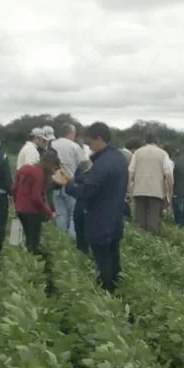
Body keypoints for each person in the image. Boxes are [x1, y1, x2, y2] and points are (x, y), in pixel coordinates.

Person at [52, 122, 126, 292]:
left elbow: (86, 192)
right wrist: (73, 180)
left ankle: (107, 295)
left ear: (99, 139)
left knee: (103, 263)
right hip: (115, 219)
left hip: (101, 220)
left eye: (90, 143)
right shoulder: (118, 159)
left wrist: (66, 184)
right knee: (114, 259)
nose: (89, 147)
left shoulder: (102, 163)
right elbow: (95, 182)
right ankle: (117, 292)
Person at [12, 149, 57, 254]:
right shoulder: (39, 173)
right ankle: (32, 263)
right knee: (34, 242)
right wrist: (48, 213)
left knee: (28, 238)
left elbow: (14, 189)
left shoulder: (24, 169)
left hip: (20, 210)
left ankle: (26, 261)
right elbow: (36, 197)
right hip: (32, 211)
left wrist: (16, 204)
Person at [128, 134, 173, 234]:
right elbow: (169, 175)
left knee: (140, 219)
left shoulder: (137, 153)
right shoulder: (163, 154)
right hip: (156, 192)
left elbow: (130, 172)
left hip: (139, 191)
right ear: (157, 141)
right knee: (153, 218)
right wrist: (170, 193)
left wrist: (128, 191)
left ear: (145, 141)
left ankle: (141, 241)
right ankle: (151, 241)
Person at [50, 123, 86, 240]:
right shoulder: (74, 147)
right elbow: (82, 166)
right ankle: (72, 241)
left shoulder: (52, 144)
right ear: (71, 133)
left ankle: (61, 241)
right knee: (73, 214)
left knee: (60, 213)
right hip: (71, 183)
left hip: (55, 183)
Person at [163, 144, 184, 228]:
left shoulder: (171, 162)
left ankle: (180, 230)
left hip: (177, 192)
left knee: (179, 218)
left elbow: (169, 179)